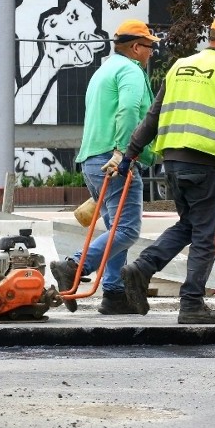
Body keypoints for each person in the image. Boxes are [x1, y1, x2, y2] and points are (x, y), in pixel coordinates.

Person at [107, 14, 215, 324]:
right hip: (205, 165)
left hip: (174, 164)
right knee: (204, 235)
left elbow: (152, 118)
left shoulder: (179, 67)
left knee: (188, 225)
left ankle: (141, 268)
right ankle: (191, 303)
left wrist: (129, 155)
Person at [50, 20, 160, 315]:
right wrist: (124, 153)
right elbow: (128, 112)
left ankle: (113, 294)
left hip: (92, 160)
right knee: (127, 230)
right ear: (136, 47)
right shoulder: (130, 71)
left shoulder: (103, 70)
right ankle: (74, 266)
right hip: (115, 160)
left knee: (114, 230)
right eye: (149, 47)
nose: (151, 53)